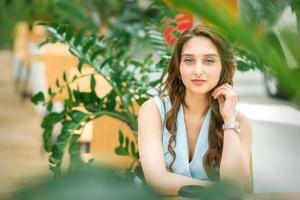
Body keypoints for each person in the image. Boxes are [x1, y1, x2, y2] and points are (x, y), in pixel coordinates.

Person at [138, 24, 253, 196]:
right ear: (178, 68)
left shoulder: (239, 123)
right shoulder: (153, 111)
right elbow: (157, 182)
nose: (198, 71)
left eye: (209, 61)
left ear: (223, 68)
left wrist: (229, 121)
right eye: (189, 60)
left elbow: (237, 188)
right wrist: (219, 190)